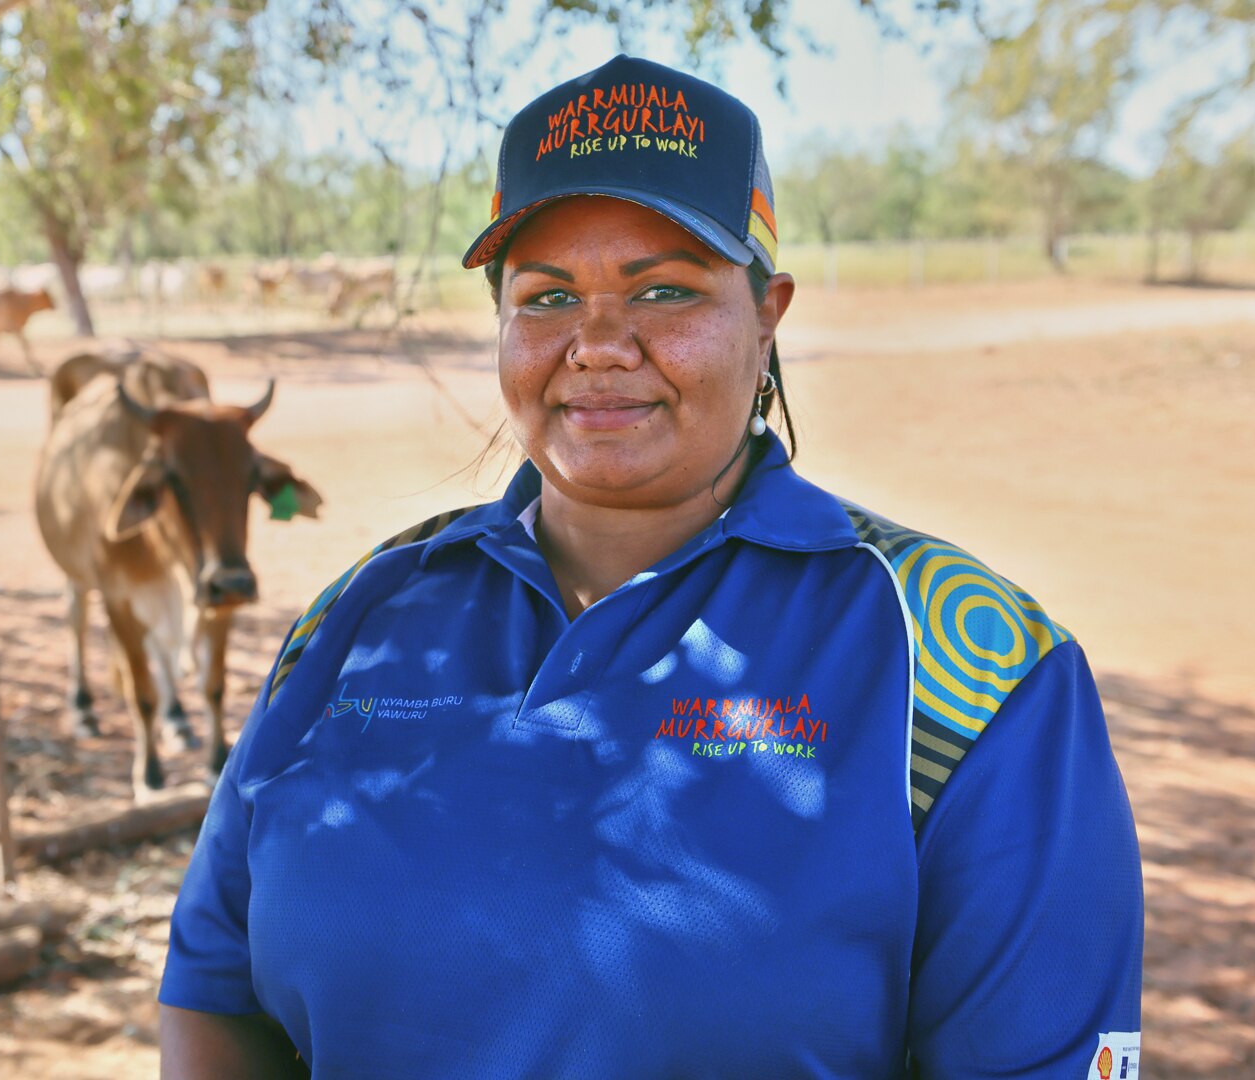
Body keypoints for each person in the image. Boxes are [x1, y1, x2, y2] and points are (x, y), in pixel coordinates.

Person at [158, 55, 1143, 1079]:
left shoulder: (961, 665)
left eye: (665, 289)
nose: (596, 342)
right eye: (545, 297)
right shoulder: (363, 617)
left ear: (768, 315)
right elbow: (213, 997)